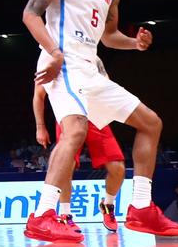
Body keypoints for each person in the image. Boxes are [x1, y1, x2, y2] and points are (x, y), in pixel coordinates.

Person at [21, 0, 178, 241]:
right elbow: (30, 14)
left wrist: (135, 43)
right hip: (64, 62)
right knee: (75, 131)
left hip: (91, 68)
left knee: (151, 123)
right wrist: (53, 52)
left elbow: (109, 37)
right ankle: (43, 215)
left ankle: (140, 208)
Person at [34, 78, 126, 231]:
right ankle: (65, 215)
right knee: (66, 166)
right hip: (68, 116)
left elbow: (106, 84)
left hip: (95, 115)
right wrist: (40, 127)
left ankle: (108, 205)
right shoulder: (49, 60)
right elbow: (38, 95)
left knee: (117, 167)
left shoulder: (88, 56)